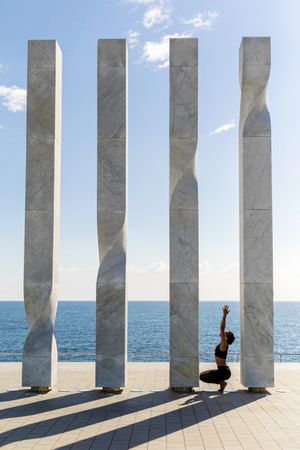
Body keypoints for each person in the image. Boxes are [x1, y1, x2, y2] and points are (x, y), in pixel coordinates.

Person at [200, 305, 235, 393]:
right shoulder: (224, 344)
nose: (223, 332)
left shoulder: (224, 344)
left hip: (224, 372)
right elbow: (222, 330)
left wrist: (224, 315)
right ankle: (222, 385)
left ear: (226, 337)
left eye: (225, 333)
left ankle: (221, 383)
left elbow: (222, 328)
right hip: (223, 370)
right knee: (203, 375)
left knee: (202, 377)